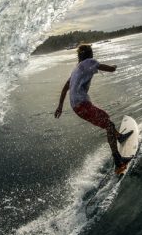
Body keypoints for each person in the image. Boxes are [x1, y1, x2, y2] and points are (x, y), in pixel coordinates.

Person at [54, 44, 133, 173]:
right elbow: (111, 69)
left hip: (76, 106)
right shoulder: (89, 62)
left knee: (107, 122)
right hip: (82, 105)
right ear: (90, 54)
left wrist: (60, 107)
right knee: (109, 125)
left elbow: (64, 89)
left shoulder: (76, 70)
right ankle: (118, 161)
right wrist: (115, 66)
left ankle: (118, 137)